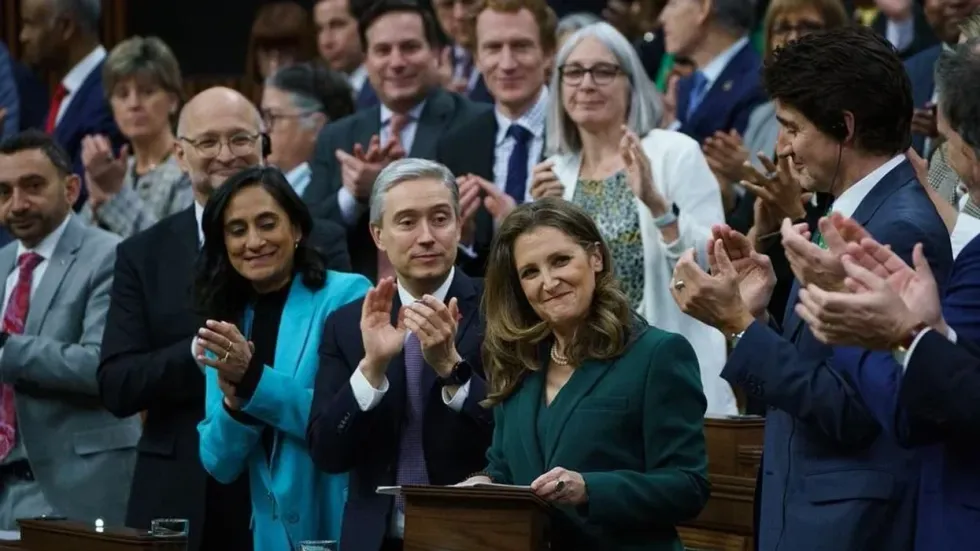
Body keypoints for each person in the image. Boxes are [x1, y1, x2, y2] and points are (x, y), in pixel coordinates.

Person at [669, 26, 953, 551]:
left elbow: (855, 411)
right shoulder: (861, 211)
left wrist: (739, 326)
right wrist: (758, 320)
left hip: (851, 528)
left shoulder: (895, 228)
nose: (781, 148)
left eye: (791, 129)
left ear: (843, 126)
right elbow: (823, 371)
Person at [96, 87, 344, 551]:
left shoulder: (320, 239)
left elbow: (337, 371)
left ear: (264, 144)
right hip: (178, 489)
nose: (226, 155)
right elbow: (117, 383)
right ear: (179, 153)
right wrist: (201, 353)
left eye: (240, 139)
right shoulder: (141, 254)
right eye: (208, 142)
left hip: (294, 480)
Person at [790, 38, 980, 550]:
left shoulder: (908, 229)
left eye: (948, 143)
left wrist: (899, 333)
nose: (947, 163)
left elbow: (911, 410)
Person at [457, 197, 708, 550]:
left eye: (560, 261)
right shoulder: (517, 363)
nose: (548, 282)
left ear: (596, 258)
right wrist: (481, 484)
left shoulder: (658, 354)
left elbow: (687, 487)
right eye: (530, 272)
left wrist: (589, 489)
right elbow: (503, 465)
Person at [532, 22, 730, 414]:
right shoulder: (553, 173)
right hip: (583, 386)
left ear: (631, 83)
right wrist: (537, 221)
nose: (586, 83)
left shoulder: (674, 153)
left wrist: (659, 207)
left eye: (603, 71)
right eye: (573, 72)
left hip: (671, 376)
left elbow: (715, 267)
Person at [308, 158, 492, 551]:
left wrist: (452, 369)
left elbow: (518, 437)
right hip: (374, 540)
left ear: (460, 225)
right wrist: (371, 368)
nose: (426, 236)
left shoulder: (501, 309)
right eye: (407, 222)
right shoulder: (347, 324)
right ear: (378, 235)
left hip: (474, 535)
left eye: (440, 219)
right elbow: (327, 452)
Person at [195, 167, 370, 549]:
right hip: (270, 536)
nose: (254, 241)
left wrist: (252, 380)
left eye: (267, 223)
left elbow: (345, 419)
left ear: (296, 229)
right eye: (237, 230)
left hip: (338, 520)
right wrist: (234, 404)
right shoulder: (228, 321)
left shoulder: (347, 295)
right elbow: (218, 463)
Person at [0, 130, 138, 528]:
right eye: (4, 191)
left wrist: (6, 349)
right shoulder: (1, 263)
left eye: (32, 186)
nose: (17, 204)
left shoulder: (110, 254)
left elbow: (102, 365)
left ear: (71, 187)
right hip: (6, 490)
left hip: (77, 488)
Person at [304, 0, 491, 282]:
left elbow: (488, 234)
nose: (396, 62)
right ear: (366, 60)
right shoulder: (337, 136)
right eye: (382, 51)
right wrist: (353, 197)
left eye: (410, 47)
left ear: (438, 54)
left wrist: (386, 186)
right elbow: (305, 231)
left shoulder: (477, 124)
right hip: (358, 304)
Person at [436, 0, 557, 276]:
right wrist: (462, 240)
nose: (507, 64)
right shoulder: (457, 145)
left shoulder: (580, 130)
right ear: (477, 58)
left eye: (521, 46)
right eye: (493, 48)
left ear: (548, 53)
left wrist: (520, 226)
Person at [79, 36, 191, 238]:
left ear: (173, 101)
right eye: (122, 94)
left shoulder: (187, 169)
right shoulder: (116, 171)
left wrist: (115, 195)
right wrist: (96, 202)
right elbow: (79, 248)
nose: (134, 104)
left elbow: (174, 252)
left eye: (147, 92)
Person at [19, 0, 124, 209]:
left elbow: (75, 200)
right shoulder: (69, 91)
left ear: (66, 27)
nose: (23, 37)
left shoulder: (109, 94)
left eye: (30, 24)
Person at [658, 0, 767, 142]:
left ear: (704, 8)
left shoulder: (757, 84)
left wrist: (671, 125)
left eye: (672, 3)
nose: (662, 18)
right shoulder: (684, 86)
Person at [262, 62, 355, 197]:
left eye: (273, 117)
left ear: (317, 125)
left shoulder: (332, 198)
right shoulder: (264, 184)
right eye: (263, 117)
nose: (264, 129)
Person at [314, 0, 377, 108]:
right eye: (319, 29)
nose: (326, 42)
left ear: (365, 26)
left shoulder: (386, 88)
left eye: (337, 25)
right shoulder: (320, 95)